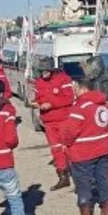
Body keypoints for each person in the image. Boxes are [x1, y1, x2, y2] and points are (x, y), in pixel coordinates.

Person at [60, 77, 108, 215]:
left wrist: (65, 142)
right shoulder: (106, 105)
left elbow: (70, 131)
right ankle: (107, 210)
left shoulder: (80, 107)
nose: (74, 92)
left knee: (83, 183)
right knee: (102, 179)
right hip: (102, 148)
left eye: (75, 89)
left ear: (83, 89)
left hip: (83, 152)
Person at [0, 79, 37, 215]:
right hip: (3, 163)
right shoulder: (7, 110)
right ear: (3, 92)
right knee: (15, 200)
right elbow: (11, 139)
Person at [30, 58, 74, 190]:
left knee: (68, 146)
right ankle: (62, 176)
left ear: (51, 69)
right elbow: (38, 98)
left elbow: (69, 98)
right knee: (55, 148)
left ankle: (77, 172)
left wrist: (52, 104)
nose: (43, 73)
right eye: (41, 71)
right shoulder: (38, 82)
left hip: (63, 119)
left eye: (45, 70)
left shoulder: (63, 79)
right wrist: (35, 103)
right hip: (48, 121)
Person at [81, 56, 108, 188]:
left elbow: (98, 105)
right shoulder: (103, 81)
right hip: (106, 120)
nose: (87, 70)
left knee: (106, 151)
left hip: (103, 122)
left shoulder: (99, 83)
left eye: (89, 67)